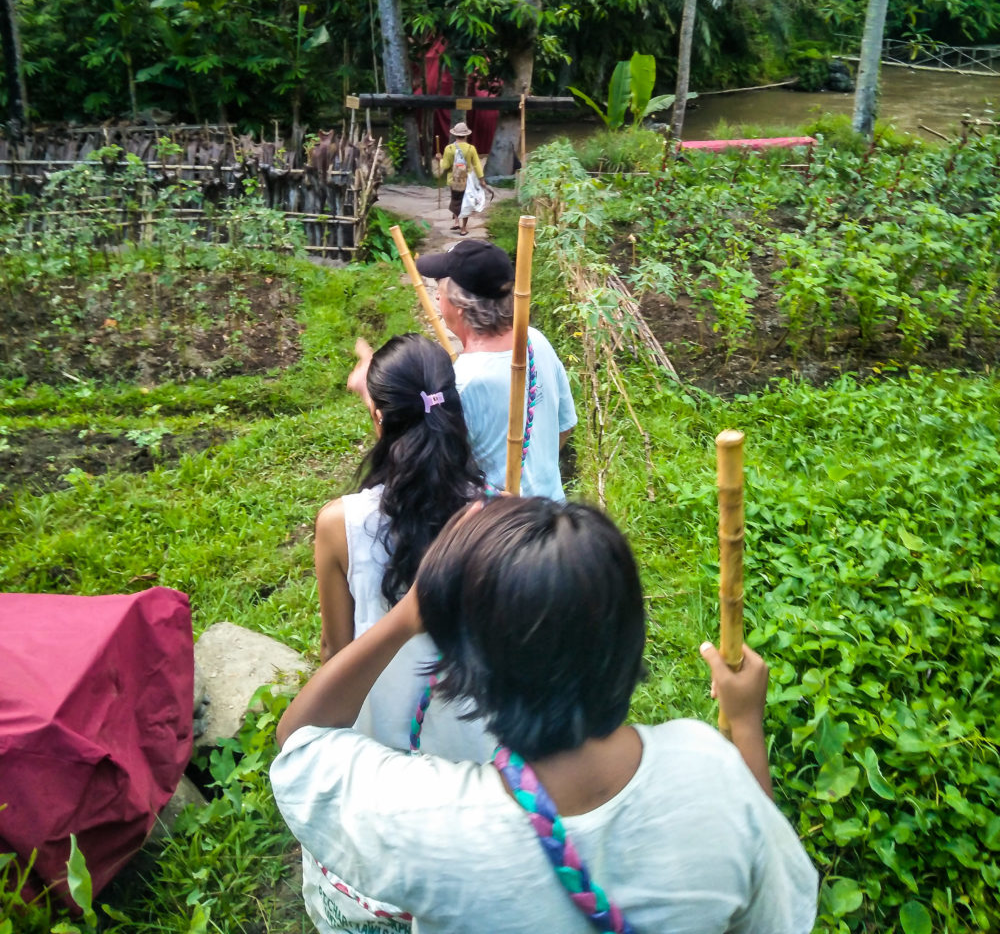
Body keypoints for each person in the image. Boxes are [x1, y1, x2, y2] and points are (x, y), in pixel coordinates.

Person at [273, 497, 819, 934]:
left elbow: (301, 739)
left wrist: (406, 616)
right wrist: (745, 725)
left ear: (469, 670)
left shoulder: (424, 819)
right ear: (631, 637)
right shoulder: (710, 770)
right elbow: (771, 910)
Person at [308, 333, 497, 934]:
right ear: (453, 406)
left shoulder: (340, 524)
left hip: (379, 741)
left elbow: (338, 651)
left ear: (379, 419)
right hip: (474, 739)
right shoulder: (499, 516)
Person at [416, 239, 577, 500]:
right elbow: (565, 426)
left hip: (503, 523)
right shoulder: (535, 341)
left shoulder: (462, 383)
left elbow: (440, 479)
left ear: (460, 305)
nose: (436, 296)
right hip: (554, 512)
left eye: (440, 288)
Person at [436, 121, 486, 235]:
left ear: (455, 134)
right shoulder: (471, 148)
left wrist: (440, 159)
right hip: (467, 180)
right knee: (466, 202)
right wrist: (481, 179)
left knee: (455, 200)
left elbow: (445, 166)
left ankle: (456, 222)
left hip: (453, 180)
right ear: (466, 135)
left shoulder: (449, 148)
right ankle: (463, 228)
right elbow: (477, 165)